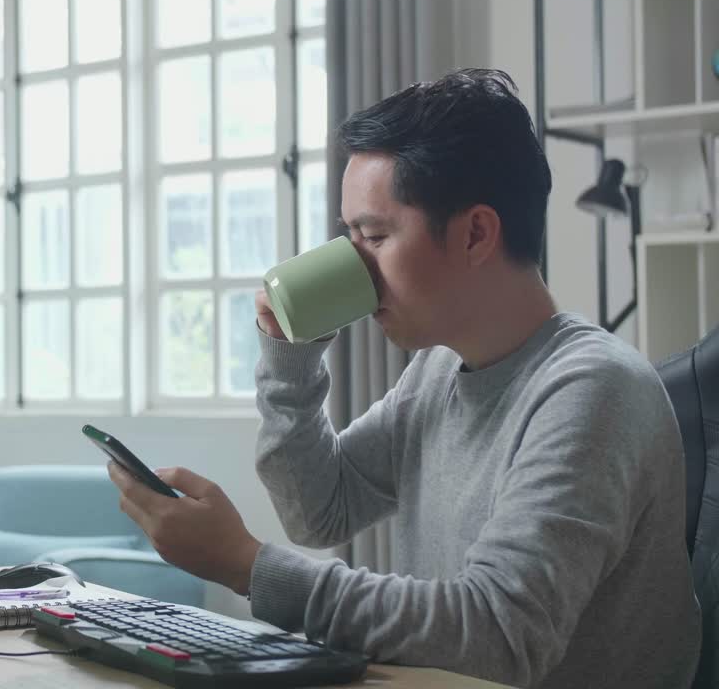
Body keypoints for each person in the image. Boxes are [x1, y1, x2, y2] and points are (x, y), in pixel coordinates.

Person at [107, 68, 701, 688]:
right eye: (349, 238)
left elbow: (500, 635)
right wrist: (290, 360)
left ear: (475, 234)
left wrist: (244, 565)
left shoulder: (593, 391)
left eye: (374, 235)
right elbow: (321, 510)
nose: (355, 267)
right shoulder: (438, 372)